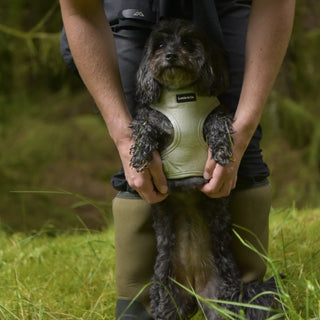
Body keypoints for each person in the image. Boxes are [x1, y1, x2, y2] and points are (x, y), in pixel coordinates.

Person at [59, 0, 296, 318]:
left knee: (241, 151)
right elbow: (79, 11)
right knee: (142, 160)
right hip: (131, 9)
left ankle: (244, 297)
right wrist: (124, 137)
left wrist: (243, 130)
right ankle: (141, 304)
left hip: (227, 6)